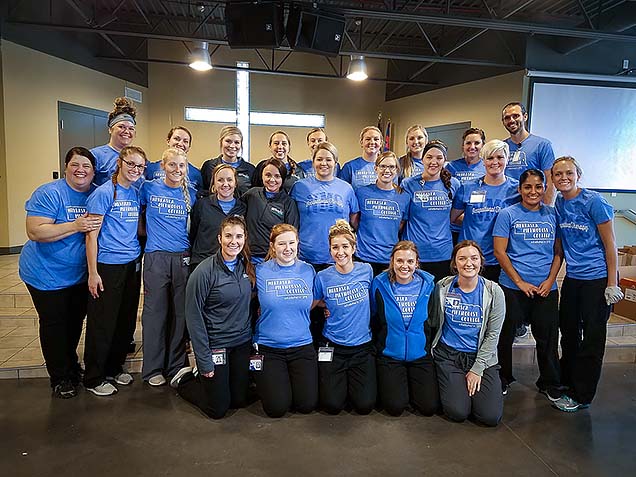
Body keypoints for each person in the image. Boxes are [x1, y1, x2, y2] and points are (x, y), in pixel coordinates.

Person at [18, 147, 101, 398]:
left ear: (93, 171)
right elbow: (35, 231)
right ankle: (60, 377)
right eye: (75, 165)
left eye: (86, 166)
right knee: (54, 324)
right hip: (44, 274)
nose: (81, 170)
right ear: (66, 167)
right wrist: (75, 225)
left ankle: (70, 364)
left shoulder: (96, 194)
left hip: (77, 274)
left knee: (74, 323)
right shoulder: (50, 193)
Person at [549, 156, 623, 412]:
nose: (563, 178)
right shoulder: (559, 202)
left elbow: (610, 244)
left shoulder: (594, 202)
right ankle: (567, 383)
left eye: (568, 173)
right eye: (558, 174)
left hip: (597, 280)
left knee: (592, 339)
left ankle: (582, 395)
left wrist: (612, 283)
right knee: (568, 333)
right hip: (574, 279)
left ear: (578, 174)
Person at [175, 215, 256, 419]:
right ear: (219, 238)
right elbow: (193, 317)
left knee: (239, 400)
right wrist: (204, 360)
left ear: (245, 238)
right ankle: (186, 379)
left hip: (241, 343)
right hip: (216, 344)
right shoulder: (203, 272)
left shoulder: (247, 266)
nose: (233, 241)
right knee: (218, 409)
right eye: (228, 236)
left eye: (238, 236)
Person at [493, 169, 563, 398]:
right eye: (528, 187)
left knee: (548, 338)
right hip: (513, 287)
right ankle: (503, 377)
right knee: (505, 335)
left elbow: (558, 253)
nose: (533, 191)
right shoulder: (507, 214)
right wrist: (519, 281)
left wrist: (550, 281)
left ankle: (550, 382)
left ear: (544, 188)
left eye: (538, 187)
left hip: (546, 288)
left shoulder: (553, 215)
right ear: (520, 189)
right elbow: (500, 252)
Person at [83, 146, 146, 397]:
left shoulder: (135, 192)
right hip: (108, 265)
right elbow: (91, 236)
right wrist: (93, 272)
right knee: (103, 321)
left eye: (140, 167)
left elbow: (138, 228)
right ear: (120, 163)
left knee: (125, 319)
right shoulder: (104, 193)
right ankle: (94, 376)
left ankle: (115, 366)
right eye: (131, 164)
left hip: (132, 263)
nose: (135, 170)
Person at [430, 241, 505, 426]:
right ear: (454, 263)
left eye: (474, 258)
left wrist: (477, 369)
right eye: (462, 259)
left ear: (481, 262)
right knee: (458, 412)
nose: (468, 263)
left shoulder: (494, 292)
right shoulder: (442, 287)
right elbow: (432, 320)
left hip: (482, 358)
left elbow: (493, 335)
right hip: (448, 356)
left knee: (489, 417)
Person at [139, 147, 197, 387]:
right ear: (162, 166)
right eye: (172, 165)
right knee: (154, 314)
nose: (177, 170)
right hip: (156, 257)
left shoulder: (191, 194)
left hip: (182, 257)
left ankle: (176, 364)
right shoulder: (148, 188)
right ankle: (152, 368)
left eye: (181, 166)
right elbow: (139, 219)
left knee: (180, 314)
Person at [253, 224, 318, 417]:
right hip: (269, 348)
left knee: (306, 406)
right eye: (282, 243)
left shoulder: (309, 270)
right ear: (273, 246)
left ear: (298, 244)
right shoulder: (260, 271)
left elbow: (317, 299)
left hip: (302, 347)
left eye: (291, 242)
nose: (287, 248)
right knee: (276, 409)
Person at [313, 221, 376, 414]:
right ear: (330, 250)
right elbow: (311, 304)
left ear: (354, 248)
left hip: (362, 348)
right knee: (332, 406)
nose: (340, 252)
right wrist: (327, 304)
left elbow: (373, 303)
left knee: (364, 406)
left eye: (345, 246)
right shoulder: (322, 277)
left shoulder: (367, 270)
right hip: (333, 346)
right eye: (335, 247)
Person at [371, 241, 439, 416]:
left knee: (429, 408)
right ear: (392, 261)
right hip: (390, 355)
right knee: (395, 407)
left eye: (410, 262)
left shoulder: (429, 285)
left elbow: (433, 318)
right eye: (399, 261)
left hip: (420, 355)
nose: (404, 266)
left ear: (417, 263)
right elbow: (372, 314)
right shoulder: (378, 284)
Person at [451, 139, 520, 281]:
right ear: (483, 161)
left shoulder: (516, 190)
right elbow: (453, 218)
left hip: (499, 259)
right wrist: (473, 219)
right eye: (490, 158)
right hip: (468, 259)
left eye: (500, 157)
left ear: (507, 159)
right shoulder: (468, 187)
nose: (495, 162)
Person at [290, 142, 358, 269]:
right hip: (306, 255)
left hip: (338, 256)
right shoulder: (300, 187)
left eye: (328, 159)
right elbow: (292, 219)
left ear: (335, 162)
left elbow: (354, 219)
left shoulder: (346, 188)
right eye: (319, 159)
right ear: (313, 162)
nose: (323, 163)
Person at [402, 141, 460, 282]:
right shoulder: (408, 184)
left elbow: (453, 216)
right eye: (429, 157)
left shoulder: (454, 184)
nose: (434, 161)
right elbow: (403, 218)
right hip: (413, 254)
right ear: (422, 159)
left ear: (445, 160)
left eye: (439, 158)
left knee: (438, 299)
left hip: (442, 254)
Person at [354, 151, 410, 276]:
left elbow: (400, 225)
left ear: (397, 170)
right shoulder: (362, 192)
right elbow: (355, 220)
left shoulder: (404, 197)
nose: (387, 170)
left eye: (391, 167)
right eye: (383, 166)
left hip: (389, 258)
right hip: (364, 256)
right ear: (376, 168)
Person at [241, 158, 299, 264]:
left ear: (283, 179)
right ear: (262, 176)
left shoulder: (288, 203)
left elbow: (291, 234)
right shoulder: (251, 195)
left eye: (277, 176)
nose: (272, 180)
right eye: (268, 175)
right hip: (249, 257)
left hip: (274, 259)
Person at [189, 163, 245, 271]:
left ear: (235, 183)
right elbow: (193, 233)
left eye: (229, 180)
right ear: (214, 182)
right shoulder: (202, 205)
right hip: (202, 263)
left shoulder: (243, 208)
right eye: (220, 180)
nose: (225, 184)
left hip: (231, 265)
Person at [501, 102, 556, 204]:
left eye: (516, 116)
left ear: (525, 116)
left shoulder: (542, 145)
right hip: (506, 205)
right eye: (507, 118)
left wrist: (547, 210)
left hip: (534, 205)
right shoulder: (501, 147)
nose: (511, 120)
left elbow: (550, 180)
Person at [446, 128, 487, 245]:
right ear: (462, 146)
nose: (472, 147)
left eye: (477, 143)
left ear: (483, 145)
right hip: (453, 226)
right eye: (468, 143)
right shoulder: (451, 167)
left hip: (476, 227)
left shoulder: (487, 167)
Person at [91, 97, 138, 186]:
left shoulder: (137, 157)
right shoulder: (96, 155)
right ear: (110, 129)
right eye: (121, 127)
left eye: (131, 128)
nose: (127, 132)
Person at [200, 126, 255, 196]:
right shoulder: (209, 166)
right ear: (221, 142)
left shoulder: (250, 169)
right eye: (228, 141)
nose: (232, 145)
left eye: (236, 142)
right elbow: (203, 192)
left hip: (242, 207)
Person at [145, 126, 203, 192]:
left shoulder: (196, 174)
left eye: (185, 141)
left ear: (189, 146)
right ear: (168, 141)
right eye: (177, 139)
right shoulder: (151, 168)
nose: (180, 143)